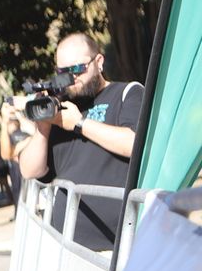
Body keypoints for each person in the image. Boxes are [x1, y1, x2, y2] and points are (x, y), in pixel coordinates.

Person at [16, 31, 143, 251]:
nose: (71, 78)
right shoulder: (59, 109)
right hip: (66, 246)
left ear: (99, 61)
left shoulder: (126, 92)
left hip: (118, 248)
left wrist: (79, 123)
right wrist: (43, 127)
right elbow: (29, 170)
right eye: (62, 72)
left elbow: (133, 143)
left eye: (78, 69)